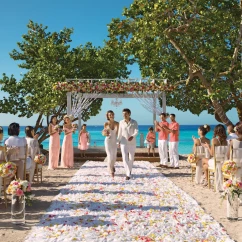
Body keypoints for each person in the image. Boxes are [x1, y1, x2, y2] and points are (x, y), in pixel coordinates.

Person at [117, 108, 138, 180]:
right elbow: (119, 133)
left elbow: (136, 131)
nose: (124, 115)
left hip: (132, 142)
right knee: (125, 158)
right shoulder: (121, 122)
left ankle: (129, 170)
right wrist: (118, 141)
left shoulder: (134, 122)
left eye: (125, 114)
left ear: (129, 114)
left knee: (131, 158)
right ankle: (128, 173)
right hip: (123, 142)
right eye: (123, 114)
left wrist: (132, 136)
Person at [103, 110, 119, 178]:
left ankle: (112, 166)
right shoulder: (106, 124)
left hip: (114, 141)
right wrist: (105, 133)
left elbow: (118, 133)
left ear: (114, 115)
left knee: (114, 156)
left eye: (112, 114)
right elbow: (104, 133)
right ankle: (111, 171)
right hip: (108, 141)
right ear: (108, 116)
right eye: (109, 115)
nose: (111, 116)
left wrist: (119, 142)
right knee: (109, 155)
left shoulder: (117, 123)